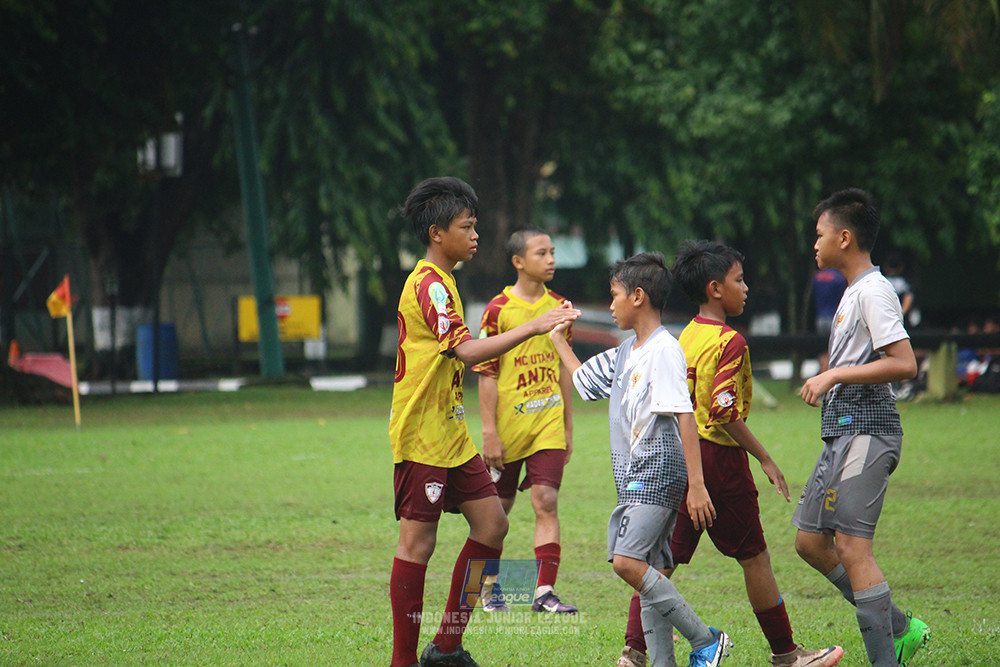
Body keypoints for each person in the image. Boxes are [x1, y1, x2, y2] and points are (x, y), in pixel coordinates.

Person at [616, 241, 844, 667]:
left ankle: (633, 652)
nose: (747, 288)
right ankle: (787, 655)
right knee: (755, 558)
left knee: (658, 565)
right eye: (740, 280)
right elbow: (722, 411)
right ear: (716, 288)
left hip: (679, 457)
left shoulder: (684, 336)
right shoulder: (730, 341)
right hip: (718, 462)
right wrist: (763, 456)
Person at [389, 177, 580, 667]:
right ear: (437, 233)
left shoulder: (445, 280)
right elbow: (468, 352)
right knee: (418, 542)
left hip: (450, 431)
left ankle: (447, 647)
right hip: (421, 432)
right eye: (466, 227)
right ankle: (404, 660)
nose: (476, 235)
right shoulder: (429, 284)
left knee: (493, 525)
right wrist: (533, 326)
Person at [549, 252, 731, 667]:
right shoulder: (628, 349)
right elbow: (585, 383)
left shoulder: (664, 349)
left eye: (614, 295)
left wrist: (697, 485)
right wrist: (559, 339)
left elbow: (684, 415)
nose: (609, 305)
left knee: (628, 563)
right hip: (635, 472)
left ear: (638, 297)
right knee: (650, 573)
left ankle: (707, 640)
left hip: (657, 468)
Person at [795, 188, 929, 667]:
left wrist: (833, 374)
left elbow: (905, 362)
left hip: (868, 431)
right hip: (842, 431)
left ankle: (885, 659)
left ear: (844, 237)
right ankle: (899, 626)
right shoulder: (854, 292)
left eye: (820, 235)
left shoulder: (874, 291)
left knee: (852, 547)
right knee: (810, 541)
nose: (815, 244)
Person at [472, 226, 577, 614]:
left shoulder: (562, 307)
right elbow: (487, 373)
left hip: (547, 423)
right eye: (541, 253)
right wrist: (489, 432)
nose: (551, 259)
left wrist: (567, 425)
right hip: (507, 428)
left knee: (546, 501)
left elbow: (565, 368)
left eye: (552, 252)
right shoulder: (499, 310)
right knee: (495, 513)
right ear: (518, 261)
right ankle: (485, 589)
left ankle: (543, 593)